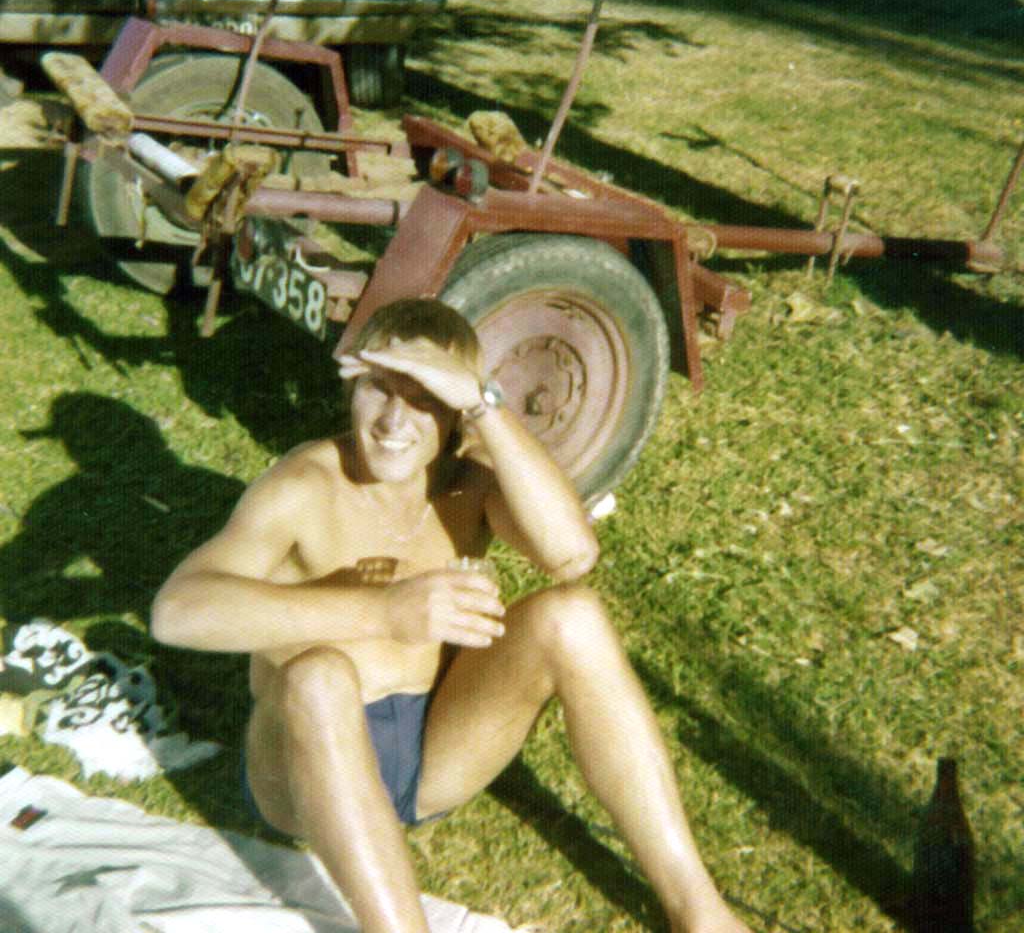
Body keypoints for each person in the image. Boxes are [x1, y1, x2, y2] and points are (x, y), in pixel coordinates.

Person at [151, 298, 752, 933]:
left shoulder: (470, 481)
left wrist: (485, 405)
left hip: (432, 751)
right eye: (379, 390)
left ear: (456, 410)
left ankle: (701, 913)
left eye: (425, 400)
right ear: (353, 387)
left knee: (572, 616)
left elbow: (572, 554)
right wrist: (383, 611)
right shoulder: (306, 482)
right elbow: (177, 612)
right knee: (319, 673)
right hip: (304, 767)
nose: (393, 421)